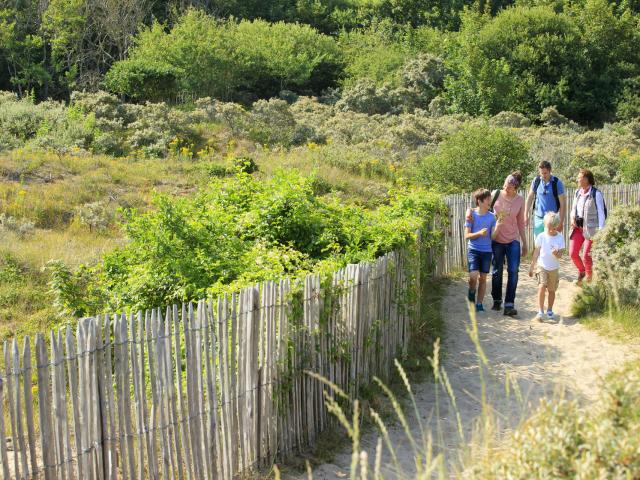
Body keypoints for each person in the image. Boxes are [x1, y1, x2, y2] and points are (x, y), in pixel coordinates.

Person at [489, 172, 528, 316]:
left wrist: (524, 243)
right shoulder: (495, 194)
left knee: (513, 271)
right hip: (497, 239)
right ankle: (497, 300)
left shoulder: (520, 200)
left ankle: (509, 304)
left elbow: (520, 223)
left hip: (513, 240)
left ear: (516, 188)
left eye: (510, 187)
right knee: (497, 271)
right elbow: (482, 207)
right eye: (505, 185)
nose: (506, 188)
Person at [465, 189, 504, 312]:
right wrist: (479, 233)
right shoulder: (471, 215)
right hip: (473, 250)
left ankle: (479, 304)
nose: (490, 202)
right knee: (473, 277)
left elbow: (492, 237)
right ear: (480, 201)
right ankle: (471, 292)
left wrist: (498, 227)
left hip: (487, 252)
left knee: (483, 278)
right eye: (487, 199)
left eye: (490, 199)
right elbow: (467, 236)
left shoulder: (492, 217)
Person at [569, 169, 606, 286]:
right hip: (578, 228)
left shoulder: (596, 194)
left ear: (586, 179)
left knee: (586, 256)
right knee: (573, 254)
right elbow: (573, 209)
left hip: (591, 229)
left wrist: (601, 231)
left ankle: (589, 282)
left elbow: (601, 213)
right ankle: (582, 272)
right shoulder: (577, 192)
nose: (577, 180)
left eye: (579, 178)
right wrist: (572, 218)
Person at [529, 212, 565, 321]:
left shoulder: (560, 238)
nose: (550, 230)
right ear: (545, 225)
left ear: (557, 226)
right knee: (541, 286)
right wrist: (532, 266)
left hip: (554, 268)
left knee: (551, 290)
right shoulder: (541, 236)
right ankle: (540, 311)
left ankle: (549, 310)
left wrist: (556, 254)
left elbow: (561, 255)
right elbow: (536, 252)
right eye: (548, 228)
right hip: (542, 266)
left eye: (553, 228)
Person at [525, 161, 567, 238]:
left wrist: (561, 222)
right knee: (538, 245)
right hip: (538, 218)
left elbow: (563, 204)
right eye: (541, 173)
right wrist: (525, 215)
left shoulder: (557, 183)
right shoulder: (536, 181)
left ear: (550, 171)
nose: (543, 175)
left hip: (552, 220)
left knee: (550, 245)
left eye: (545, 173)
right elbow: (530, 197)